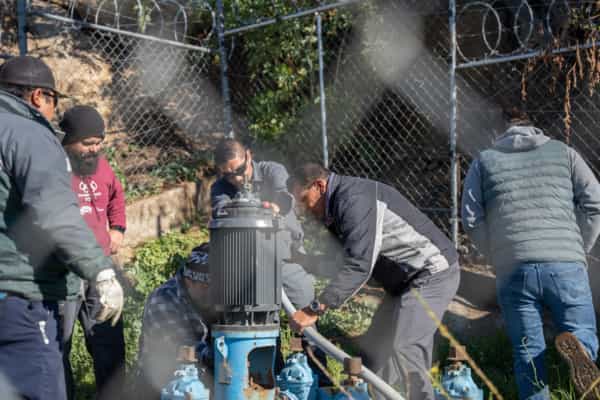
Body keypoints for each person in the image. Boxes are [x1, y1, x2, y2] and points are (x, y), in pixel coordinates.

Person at [0, 56, 123, 400]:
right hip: (23, 298)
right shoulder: (29, 134)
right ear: (39, 97)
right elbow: (54, 210)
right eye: (53, 101)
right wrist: (100, 271)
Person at [288, 163, 460, 400]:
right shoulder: (338, 205)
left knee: (405, 345)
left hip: (431, 273)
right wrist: (303, 261)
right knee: (377, 353)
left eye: (305, 200)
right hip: (403, 284)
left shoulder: (353, 199)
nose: (304, 209)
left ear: (319, 186)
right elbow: (342, 262)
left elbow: (359, 266)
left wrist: (315, 308)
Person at [462, 107, 600, 400]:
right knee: (581, 327)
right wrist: (579, 247)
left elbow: (471, 218)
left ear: (497, 132)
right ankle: (583, 351)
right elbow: (595, 202)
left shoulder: (484, 161)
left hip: (514, 268)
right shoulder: (563, 152)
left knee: (527, 348)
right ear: (533, 128)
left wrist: (497, 253)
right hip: (565, 263)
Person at [58, 105, 127, 400]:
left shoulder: (102, 165)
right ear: (67, 141)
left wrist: (118, 229)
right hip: (65, 269)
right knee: (59, 343)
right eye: (87, 143)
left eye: (99, 142)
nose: (94, 149)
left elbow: (116, 196)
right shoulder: (54, 168)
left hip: (101, 267)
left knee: (107, 338)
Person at [210, 139, 315, 310]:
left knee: (304, 306)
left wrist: (275, 206)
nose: (236, 178)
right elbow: (221, 211)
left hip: (286, 253)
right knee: (250, 313)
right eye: (228, 175)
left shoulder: (272, 171)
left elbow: (285, 196)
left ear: (249, 156)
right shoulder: (219, 188)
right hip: (243, 261)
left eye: (240, 170)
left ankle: (310, 336)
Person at [135, 243, 215, 399]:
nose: (212, 294)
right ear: (189, 280)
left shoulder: (216, 296)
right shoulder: (163, 299)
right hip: (163, 381)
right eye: (206, 287)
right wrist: (221, 357)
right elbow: (182, 348)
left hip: (207, 374)